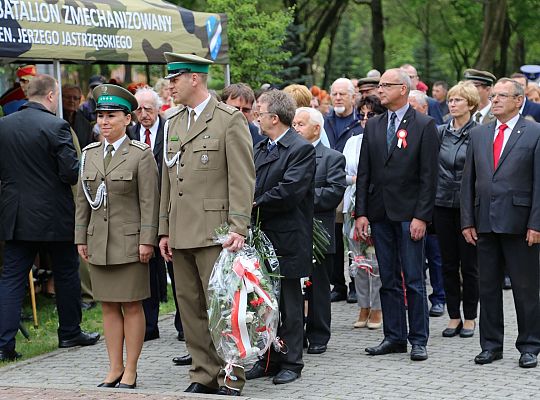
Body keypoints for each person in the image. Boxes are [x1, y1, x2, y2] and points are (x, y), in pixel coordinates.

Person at [158, 53, 255, 396]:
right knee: (190, 307)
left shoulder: (228, 119)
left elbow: (242, 178)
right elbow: (167, 180)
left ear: (194, 79)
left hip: (217, 231)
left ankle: (230, 376)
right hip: (181, 230)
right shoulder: (172, 123)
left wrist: (239, 226)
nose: (169, 85)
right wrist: (164, 229)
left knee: (224, 307)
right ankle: (202, 373)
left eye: (175, 79)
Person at [0, 74, 100, 362]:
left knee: (12, 277)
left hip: (16, 213)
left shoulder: (3, 126)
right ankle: (69, 331)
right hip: (54, 214)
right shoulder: (57, 126)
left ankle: (4, 344)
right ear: (51, 96)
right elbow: (70, 173)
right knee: (67, 271)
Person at [75, 84, 159, 388]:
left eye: (111, 115)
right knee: (108, 305)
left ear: (128, 119)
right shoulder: (89, 154)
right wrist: (80, 237)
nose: (104, 121)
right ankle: (114, 367)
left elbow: (150, 201)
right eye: (100, 115)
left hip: (130, 242)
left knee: (132, 305)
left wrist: (147, 239)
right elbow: (83, 201)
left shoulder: (140, 155)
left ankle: (132, 369)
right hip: (98, 241)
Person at [354, 68, 439, 361]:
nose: (380, 90)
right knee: (387, 278)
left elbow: (429, 177)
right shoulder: (375, 125)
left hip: (409, 215)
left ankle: (418, 339)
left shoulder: (424, 125)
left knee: (413, 278)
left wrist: (422, 216)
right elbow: (364, 172)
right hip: (379, 214)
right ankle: (394, 336)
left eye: (385, 85)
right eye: (379, 85)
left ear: (402, 89)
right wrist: (361, 213)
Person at [461, 78, 540, 368]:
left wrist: (537, 223)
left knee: (526, 288)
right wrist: (467, 220)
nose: (494, 100)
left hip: (521, 224)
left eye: (502, 96)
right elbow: (468, 181)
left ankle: (530, 345)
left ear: (519, 100)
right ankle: (491, 345)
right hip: (485, 222)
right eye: (492, 96)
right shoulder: (480, 135)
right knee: (488, 287)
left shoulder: (534, 132)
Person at [246, 90, 315, 384]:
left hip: (288, 237)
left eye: (259, 112)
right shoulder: (262, 147)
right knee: (264, 302)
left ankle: (292, 361)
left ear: (274, 118)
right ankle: (268, 357)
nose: (256, 116)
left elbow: (289, 190)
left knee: (289, 304)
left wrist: (254, 203)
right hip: (263, 235)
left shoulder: (300, 149)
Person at [127, 87, 184, 343]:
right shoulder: (130, 133)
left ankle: (184, 325)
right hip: (143, 211)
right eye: (139, 109)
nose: (143, 114)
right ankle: (150, 326)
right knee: (147, 269)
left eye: (148, 109)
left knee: (178, 269)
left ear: (159, 108)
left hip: (171, 208)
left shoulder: (171, 130)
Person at [293, 106, 346, 354]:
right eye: (294, 124)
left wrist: (298, 196)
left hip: (319, 231)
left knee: (318, 286)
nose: (295, 128)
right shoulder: (289, 155)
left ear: (316, 128)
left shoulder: (332, 157)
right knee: (294, 286)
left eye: (301, 124)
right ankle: (294, 332)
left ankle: (318, 335)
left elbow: (333, 193)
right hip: (291, 230)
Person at [434, 81, 480, 338]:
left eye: (458, 100)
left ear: (471, 105)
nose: (452, 104)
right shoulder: (440, 132)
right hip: (441, 204)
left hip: (467, 207)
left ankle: (471, 316)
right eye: (450, 100)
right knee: (448, 263)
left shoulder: (479, 133)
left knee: (470, 265)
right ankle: (454, 316)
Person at [343, 95, 385, 329]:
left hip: (376, 206)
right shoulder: (353, 141)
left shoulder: (384, 141)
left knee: (376, 261)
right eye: (362, 116)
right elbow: (340, 173)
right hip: (353, 207)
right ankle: (363, 305)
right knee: (358, 260)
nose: (365, 120)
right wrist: (355, 179)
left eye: (371, 115)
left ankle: (378, 308)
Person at [408, 90, 446, 318]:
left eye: (414, 107)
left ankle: (439, 298)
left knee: (435, 255)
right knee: (414, 261)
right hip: (407, 207)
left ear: (425, 109)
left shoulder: (431, 128)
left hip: (431, 205)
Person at [324, 78, 362, 304]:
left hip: (353, 189)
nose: (338, 98)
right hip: (331, 185)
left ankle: (356, 284)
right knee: (334, 240)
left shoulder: (359, 122)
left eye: (342, 94)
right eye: (334, 94)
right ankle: (337, 284)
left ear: (352, 97)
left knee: (354, 239)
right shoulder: (325, 122)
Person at [62, 84, 94, 148]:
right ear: (61, 98)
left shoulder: (86, 124)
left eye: (75, 98)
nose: (71, 101)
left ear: (79, 101)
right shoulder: (56, 117)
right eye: (68, 97)